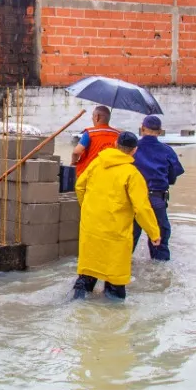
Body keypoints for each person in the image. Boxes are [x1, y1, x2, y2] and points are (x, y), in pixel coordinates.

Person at [72, 132, 161, 300]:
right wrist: (154, 233)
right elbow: (142, 208)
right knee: (115, 280)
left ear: (115, 143)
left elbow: (79, 186)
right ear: (134, 150)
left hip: (91, 226)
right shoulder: (132, 174)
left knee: (88, 272)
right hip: (115, 232)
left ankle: (78, 302)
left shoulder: (97, 163)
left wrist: (88, 208)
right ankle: (113, 318)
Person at [130, 114, 184, 260]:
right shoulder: (167, 151)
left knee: (128, 240)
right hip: (157, 199)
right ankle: (160, 279)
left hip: (134, 201)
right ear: (160, 131)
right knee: (160, 240)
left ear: (142, 129)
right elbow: (173, 176)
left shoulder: (132, 149)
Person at [71, 105, 119, 178]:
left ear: (97, 117)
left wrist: (73, 162)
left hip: (90, 174)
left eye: (93, 116)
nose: (92, 118)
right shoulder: (118, 134)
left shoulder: (90, 133)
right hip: (111, 174)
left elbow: (76, 152)